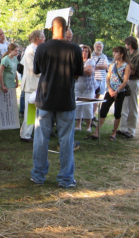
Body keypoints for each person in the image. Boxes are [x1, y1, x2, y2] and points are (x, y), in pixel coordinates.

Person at [30, 17, 83, 188]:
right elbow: (77, 74)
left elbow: (37, 70)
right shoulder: (75, 49)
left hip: (45, 98)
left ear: (52, 29)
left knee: (40, 139)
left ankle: (38, 176)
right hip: (65, 98)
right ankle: (66, 178)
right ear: (66, 29)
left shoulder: (42, 48)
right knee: (66, 140)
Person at [86, 46, 131, 141]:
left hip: (120, 92)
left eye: (116, 52)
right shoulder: (112, 65)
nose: (114, 54)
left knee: (117, 113)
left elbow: (125, 81)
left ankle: (114, 132)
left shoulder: (127, 66)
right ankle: (96, 132)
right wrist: (110, 89)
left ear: (121, 54)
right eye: (113, 52)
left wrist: (117, 91)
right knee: (103, 110)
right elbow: (108, 77)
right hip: (110, 91)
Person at [20, 30, 45, 143]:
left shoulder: (36, 49)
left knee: (35, 111)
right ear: (37, 39)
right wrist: (46, 74)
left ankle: (29, 132)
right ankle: (25, 134)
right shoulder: (30, 50)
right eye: (43, 37)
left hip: (37, 84)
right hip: (31, 84)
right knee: (30, 110)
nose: (44, 39)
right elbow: (34, 69)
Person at [117, 36, 139, 138]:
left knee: (132, 106)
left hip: (133, 81)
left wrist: (124, 70)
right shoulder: (129, 55)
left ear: (130, 44)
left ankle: (131, 130)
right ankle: (123, 128)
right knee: (124, 105)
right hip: (126, 81)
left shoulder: (138, 55)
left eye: (126, 44)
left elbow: (133, 71)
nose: (125, 46)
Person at [74, 45, 96, 132]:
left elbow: (89, 71)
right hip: (77, 86)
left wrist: (77, 70)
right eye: (82, 51)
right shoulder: (76, 61)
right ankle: (78, 125)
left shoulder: (90, 60)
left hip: (88, 88)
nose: (84, 53)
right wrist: (83, 69)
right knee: (77, 106)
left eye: (86, 51)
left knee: (88, 106)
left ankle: (88, 126)